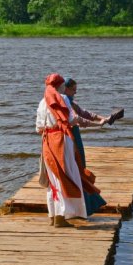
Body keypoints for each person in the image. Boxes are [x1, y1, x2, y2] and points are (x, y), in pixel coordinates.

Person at [36, 73, 104, 228]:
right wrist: (97, 125)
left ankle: (53, 216)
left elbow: (38, 127)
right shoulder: (63, 99)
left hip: (47, 141)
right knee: (66, 177)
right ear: (60, 86)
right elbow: (74, 120)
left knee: (52, 180)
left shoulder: (42, 102)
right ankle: (62, 217)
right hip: (61, 141)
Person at [64, 77, 109, 215]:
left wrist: (103, 118)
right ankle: (83, 205)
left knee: (80, 166)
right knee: (76, 168)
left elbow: (85, 113)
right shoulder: (65, 103)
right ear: (65, 89)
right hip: (70, 138)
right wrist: (98, 123)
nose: (75, 93)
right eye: (73, 90)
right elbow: (80, 120)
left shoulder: (70, 102)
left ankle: (85, 203)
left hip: (75, 137)